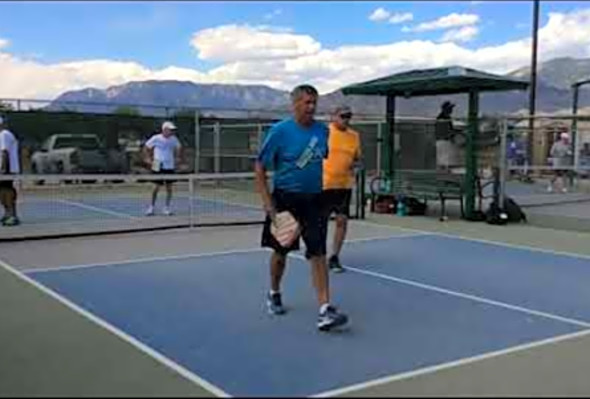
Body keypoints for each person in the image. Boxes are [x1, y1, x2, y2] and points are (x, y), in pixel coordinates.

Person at [254, 84, 348, 332]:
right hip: (285, 201)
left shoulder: (322, 132)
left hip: (315, 200)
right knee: (281, 252)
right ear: (294, 104)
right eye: (306, 102)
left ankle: (324, 309)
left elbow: (320, 160)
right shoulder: (279, 132)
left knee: (318, 253)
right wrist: (269, 206)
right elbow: (260, 169)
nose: (311, 107)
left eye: (314, 102)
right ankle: (274, 291)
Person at [322, 105, 362, 273]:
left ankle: (334, 257)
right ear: (334, 116)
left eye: (349, 116)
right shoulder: (324, 133)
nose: (346, 119)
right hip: (323, 185)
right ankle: (317, 254)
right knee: (319, 222)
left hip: (344, 186)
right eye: (343, 116)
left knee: (342, 221)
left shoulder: (354, 136)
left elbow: (358, 159)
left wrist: (355, 165)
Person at [143, 121, 182, 216]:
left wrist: (177, 158)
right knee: (155, 187)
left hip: (170, 165)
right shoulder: (156, 138)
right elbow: (146, 147)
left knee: (169, 188)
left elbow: (179, 148)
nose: (172, 131)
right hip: (157, 164)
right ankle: (151, 208)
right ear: (164, 129)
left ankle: (166, 208)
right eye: (170, 130)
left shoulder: (174, 139)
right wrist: (148, 159)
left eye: (173, 130)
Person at [0, 116, 21, 226]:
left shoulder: (4, 134)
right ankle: (8, 214)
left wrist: (3, 169)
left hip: (7, 169)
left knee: (6, 190)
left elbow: (5, 152)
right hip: (5, 169)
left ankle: (12, 215)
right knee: (3, 191)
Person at [434, 101, 463, 171]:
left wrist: (458, 132)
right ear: (445, 109)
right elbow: (445, 131)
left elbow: (449, 130)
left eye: (451, 108)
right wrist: (457, 132)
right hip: (442, 143)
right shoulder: (441, 118)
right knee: (443, 164)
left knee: (446, 164)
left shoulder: (447, 117)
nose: (451, 110)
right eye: (450, 108)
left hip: (445, 143)